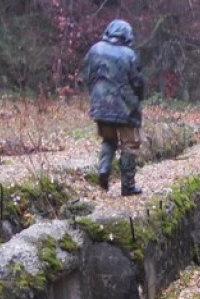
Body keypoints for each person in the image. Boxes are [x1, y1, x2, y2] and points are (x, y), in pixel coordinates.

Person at [82, 19, 145, 196]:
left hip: (100, 106)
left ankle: (104, 169)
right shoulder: (129, 54)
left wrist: (96, 96)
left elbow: (87, 76)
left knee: (108, 140)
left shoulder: (95, 49)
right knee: (129, 145)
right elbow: (138, 83)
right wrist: (138, 100)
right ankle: (128, 186)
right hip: (126, 109)